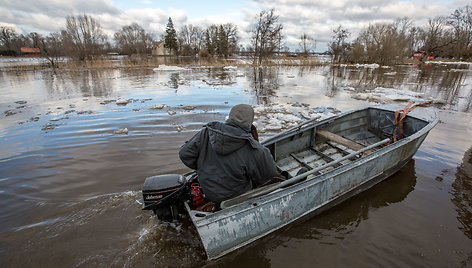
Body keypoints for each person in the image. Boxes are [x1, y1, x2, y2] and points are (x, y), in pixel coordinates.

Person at [179, 104, 279, 204]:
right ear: (250, 122)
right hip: (236, 197)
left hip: (207, 191)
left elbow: (184, 155)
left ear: (230, 117)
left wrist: (203, 167)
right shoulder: (254, 149)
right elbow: (269, 177)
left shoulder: (206, 133)